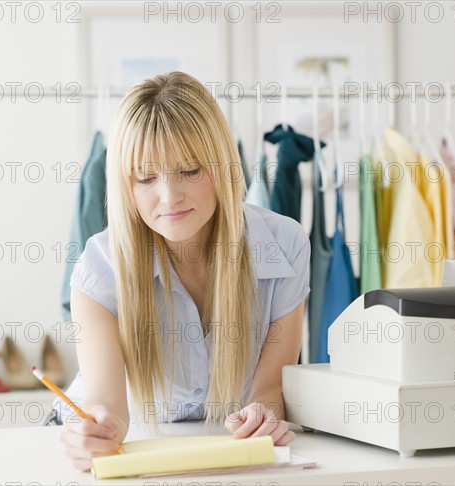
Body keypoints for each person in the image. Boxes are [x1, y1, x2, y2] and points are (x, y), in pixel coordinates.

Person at [57, 71, 311, 472]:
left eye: (190, 170)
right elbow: (107, 405)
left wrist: (262, 415)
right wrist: (98, 430)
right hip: (134, 447)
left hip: (224, 456)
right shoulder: (99, 266)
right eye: (146, 177)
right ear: (126, 185)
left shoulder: (284, 245)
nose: (170, 196)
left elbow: (269, 386)